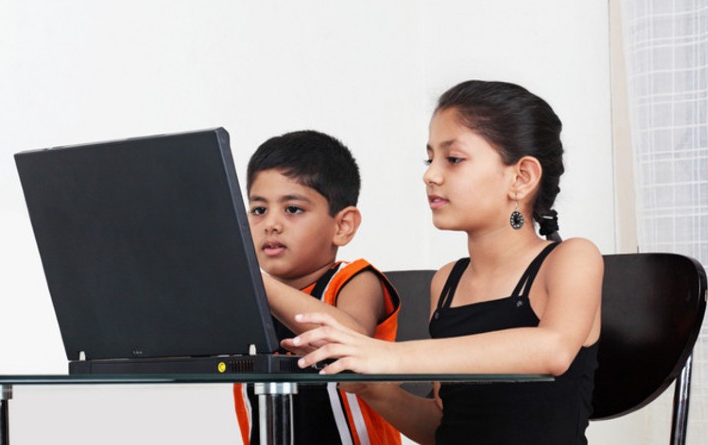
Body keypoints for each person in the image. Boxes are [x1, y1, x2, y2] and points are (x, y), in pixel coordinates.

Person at [286, 81, 604, 445]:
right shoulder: (447, 281)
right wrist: (374, 388)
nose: (430, 175)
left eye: (453, 159)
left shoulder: (571, 258)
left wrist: (389, 356)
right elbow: (442, 427)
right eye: (430, 158)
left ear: (521, 177)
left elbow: (552, 351)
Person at [232, 130, 402, 445]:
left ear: (343, 225)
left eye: (292, 209)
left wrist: (258, 285)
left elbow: (352, 339)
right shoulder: (242, 300)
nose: (271, 223)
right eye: (258, 210)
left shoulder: (355, 279)